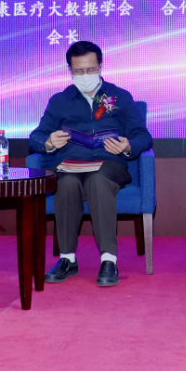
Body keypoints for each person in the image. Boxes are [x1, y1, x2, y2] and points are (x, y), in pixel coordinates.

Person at [29, 41, 153, 287]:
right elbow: (36, 137)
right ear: (70, 70)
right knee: (66, 183)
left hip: (109, 164)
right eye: (79, 71)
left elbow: (143, 136)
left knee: (98, 180)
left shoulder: (120, 96)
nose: (85, 76)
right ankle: (67, 259)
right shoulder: (60, 101)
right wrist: (49, 142)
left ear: (100, 66)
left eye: (90, 70)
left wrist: (128, 146)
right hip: (72, 165)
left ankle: (109, 260)